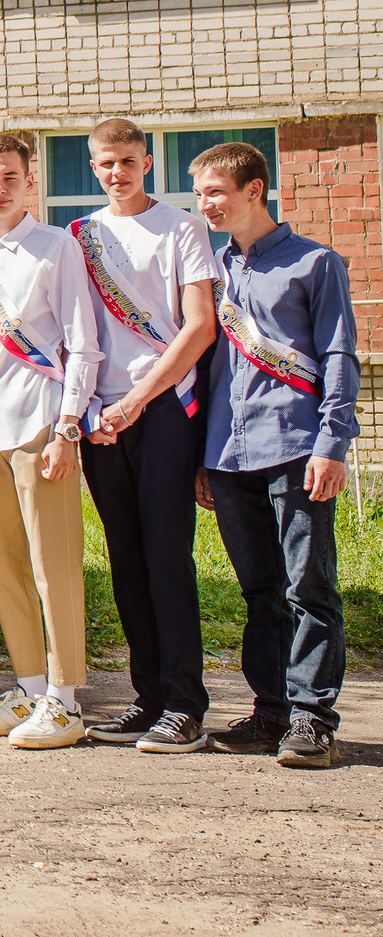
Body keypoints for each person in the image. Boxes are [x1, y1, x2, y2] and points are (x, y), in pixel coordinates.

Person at [193, 141, 359, 770]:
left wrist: (332, 444)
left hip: (296, 447)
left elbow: (340, 355)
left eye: (216, 193)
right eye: (201, 194)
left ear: (254, 190)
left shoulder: (315, 263)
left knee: (308, 586)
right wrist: (201, 459)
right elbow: (208, 367)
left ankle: (313, 716)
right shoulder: (214, 270)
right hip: (230, 454)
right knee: (260, 590)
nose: (205, 205)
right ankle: (271, 713)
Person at [68, 118, 221, 753]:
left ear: (148, 163)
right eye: (106, 164)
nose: (117, 174)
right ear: (93, 167)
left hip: (161, 410)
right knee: (126, 562)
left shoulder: (182, 227)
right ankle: (149, 696)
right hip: (100, 420)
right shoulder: (81, 235)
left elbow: (200, 326)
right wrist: (85, 412)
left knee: (165, 559)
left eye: (128, 162)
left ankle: (185, 703)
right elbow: (72, 331)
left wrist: (136, 400)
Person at [0, 132, 103, 750]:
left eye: (9, 176)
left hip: (42, 426)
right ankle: (28, 685)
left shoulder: (56, 247)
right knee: (4, 572)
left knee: (54, 567)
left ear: (28, 180)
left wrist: (68, 429)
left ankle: (65, 702)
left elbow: (82, 343)